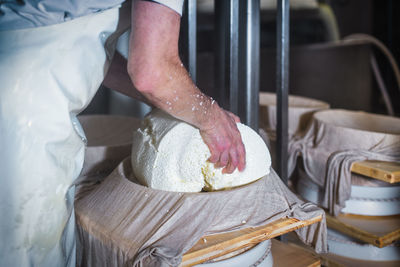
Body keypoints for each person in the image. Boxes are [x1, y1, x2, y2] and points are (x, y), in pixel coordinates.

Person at [0, 0, 246, 266]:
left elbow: (85, 47)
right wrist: (211, 118)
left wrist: (172, 101)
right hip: (23, 114)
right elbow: (152, 72)